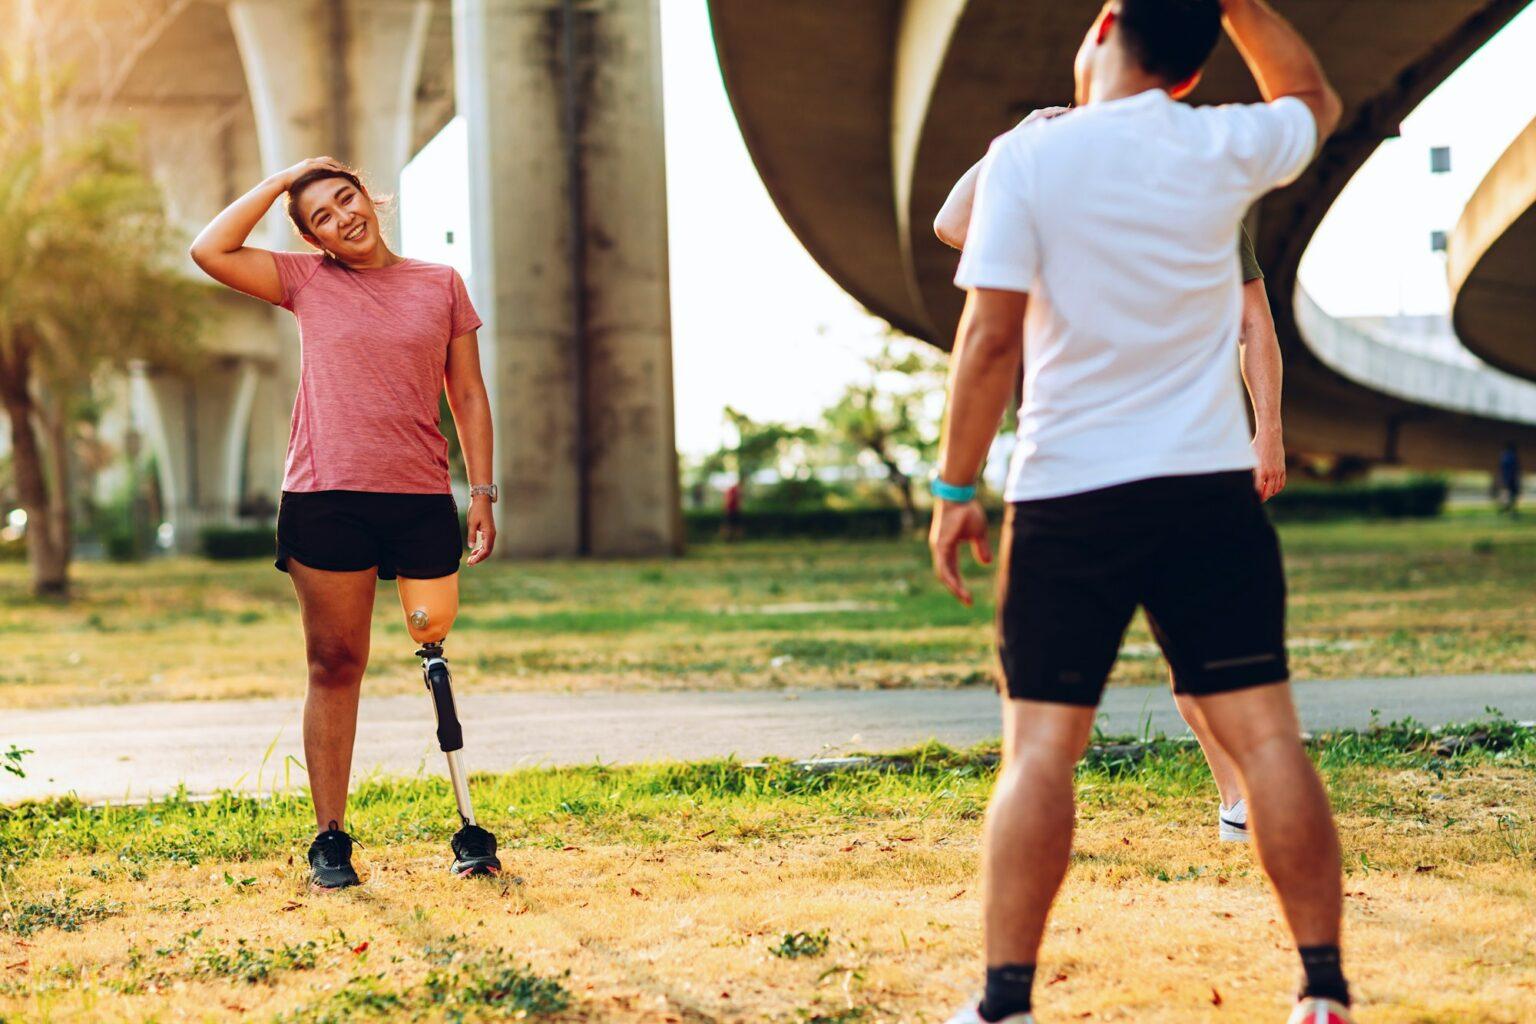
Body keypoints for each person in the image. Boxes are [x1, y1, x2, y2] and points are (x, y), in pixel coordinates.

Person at [924, 1, 1350, 1021]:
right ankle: (1324, 992)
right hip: (1207, 492)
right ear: (1194, 70)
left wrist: (954, 488)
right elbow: (1312, 98)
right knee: (1270, 741)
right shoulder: (1217, 145)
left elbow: (988, 340)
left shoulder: (1028, 157)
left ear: (1106, 24)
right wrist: (1236, 3)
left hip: (1067, 493)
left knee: (1039, 750)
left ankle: (1005, 1002)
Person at [936, 131, 1287, 846]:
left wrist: (1269, 430)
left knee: (1204, 667)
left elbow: (1253, 318)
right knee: (1047, 709)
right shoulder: (1045, 190)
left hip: (1188, 460)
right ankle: (1240, 799)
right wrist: (1007, 146)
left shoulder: (1197, 184)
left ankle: (1243, 801)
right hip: (1076, 470)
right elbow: (953, 224)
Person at [189, 156, 500, 890]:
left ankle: (469, 829)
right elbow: (209, 249)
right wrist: (282, 181)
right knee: (334, 663)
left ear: (369, 196)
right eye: (321, 218)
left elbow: (467, 394)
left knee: (433, 647)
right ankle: (330, 839)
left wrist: (482, 493)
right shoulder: (306, 281)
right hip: (326, 497)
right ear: (313, 239)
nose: (342, 218)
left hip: (418, 495)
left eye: (345, 198)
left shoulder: (440, 283)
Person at [1498, 441, 1521, 515]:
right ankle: (1510, 509)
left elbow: (1502, 468)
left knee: (1506, 494)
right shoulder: (1513, 456)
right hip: (1512, 478)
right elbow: (1516, 469)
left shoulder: (1504, 456)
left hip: (1506, 478)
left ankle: (1506, 508)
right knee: (1512, 495)